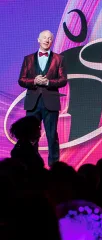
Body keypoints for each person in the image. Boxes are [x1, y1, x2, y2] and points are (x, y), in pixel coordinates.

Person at [18, 30, 67, 166]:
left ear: (52, 41)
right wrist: (34, 81)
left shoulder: (59, 59)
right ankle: (32, 165)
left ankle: (54, 167)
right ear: (38, 40)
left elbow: (63, 80)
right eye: (44, 38)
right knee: (31, 136)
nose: (47, 40)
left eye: (50, 38)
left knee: (52, 136)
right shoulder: (28, 59)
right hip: (33, 103)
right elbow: (21, 80)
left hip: (51, 102)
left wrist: (47, 82)